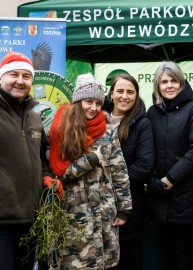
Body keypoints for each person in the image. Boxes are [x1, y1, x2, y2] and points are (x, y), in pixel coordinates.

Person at [48, 73, 132, 269]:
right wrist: (90, 160)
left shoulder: (108, 131)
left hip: (104, 212)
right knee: (75, 263)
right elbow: (57, 172)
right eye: (88, 101)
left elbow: (120, 171)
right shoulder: (59, 129)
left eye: (98, 103)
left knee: (104, 263)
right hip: (73, 213)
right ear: (78, 101)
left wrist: (125, 207)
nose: (93, 108)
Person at [147, 62, 193, 270]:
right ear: (157, 86)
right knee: (165, 255)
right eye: (164, 82)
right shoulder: (152, 112)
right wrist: (152, 179)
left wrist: (170, 178)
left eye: (174, 80)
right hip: (159, 197)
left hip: (186, 197)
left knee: (184, 256)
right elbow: (147, 150)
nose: (169, 85)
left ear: (182, 83)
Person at [0, 51, 52, 269]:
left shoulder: (33, 115)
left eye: (26, 76)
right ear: (1, 77)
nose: (20, 81)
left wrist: (47, 176)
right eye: (14, 75)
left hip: (31, 218)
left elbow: (42, 155)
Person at [103, 73, 154, 270]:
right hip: (99, 203)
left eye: (130, 92)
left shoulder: (142, 123)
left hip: (130, 203)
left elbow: (144, 166)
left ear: (136, 95)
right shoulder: (98, 119)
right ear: (111, 94)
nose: (125, 96)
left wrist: (111, 181)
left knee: (129, 256)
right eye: (120, 91)